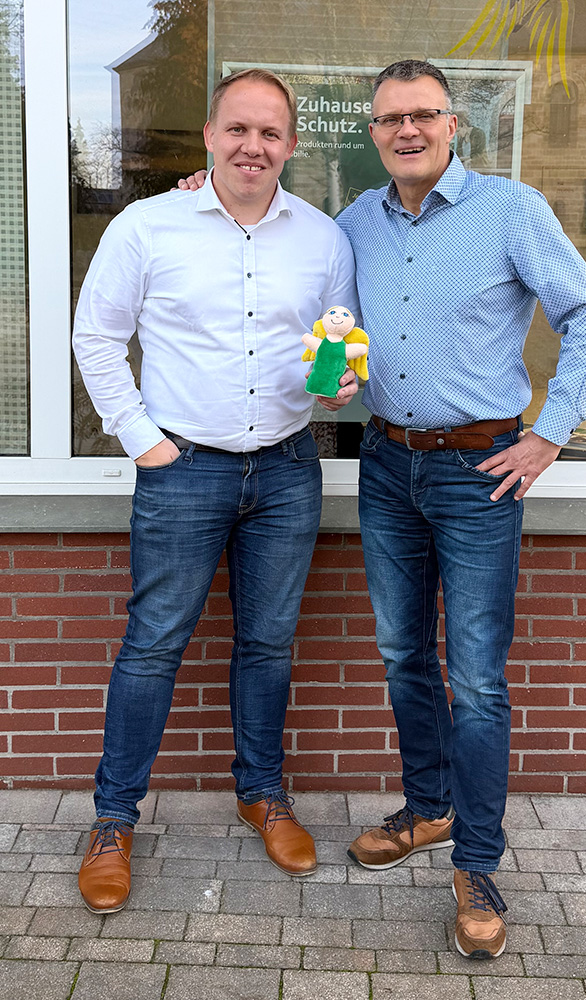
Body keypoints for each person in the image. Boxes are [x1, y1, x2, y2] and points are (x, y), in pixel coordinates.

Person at [179, 59, 586, 962]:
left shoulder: (510, 209)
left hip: (480, 471)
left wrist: (551, 434)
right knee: (403, 654)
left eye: (423, 114)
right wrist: (202, 192)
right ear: (372, 132)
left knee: (477, 679)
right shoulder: (352, 224)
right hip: (386, 463)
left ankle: (478, 866)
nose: (406, 130)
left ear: (454, 124)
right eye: (389, 118)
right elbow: (281, 245)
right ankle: (428, 808)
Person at [72, 68, 358, 914]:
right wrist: (144, 441)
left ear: (292, 145)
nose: (252, 146)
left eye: (270, 133)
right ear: (209, 135)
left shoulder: (322, 239)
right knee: (153, 644)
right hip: (182, 468)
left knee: (268, 644)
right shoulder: (147, 225)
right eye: (238, 129)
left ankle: (261, 793)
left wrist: (338, 384)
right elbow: (97, 336)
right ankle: (113, 819)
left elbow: (336, 343)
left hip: (287, 468)